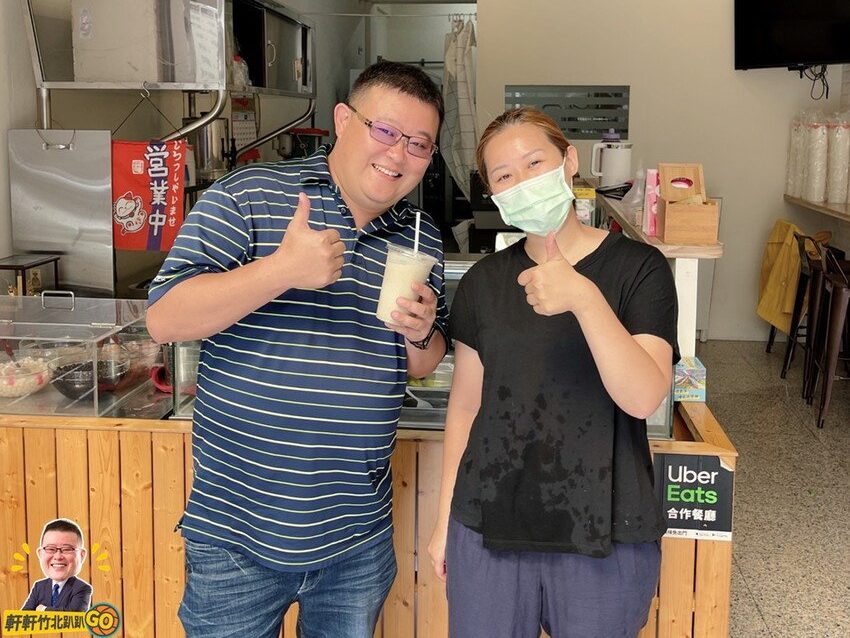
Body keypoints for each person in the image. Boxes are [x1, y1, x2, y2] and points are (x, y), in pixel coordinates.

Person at [146, 61, 449, 638]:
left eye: (419, 143)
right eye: (385, 130)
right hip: (237, 534)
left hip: (356, 536)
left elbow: (422, 362)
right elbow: (164, 318)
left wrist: (419, 330)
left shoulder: (420, 234)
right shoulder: (250, 195)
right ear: (344, 121)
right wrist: (280, 271)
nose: (398, 153)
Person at [428, 107, 679, 638]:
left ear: (569, 162)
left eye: (534, 163)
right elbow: (467, 408)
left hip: (606, 529)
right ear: (493, 194)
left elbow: (643, 397)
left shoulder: (640, 268)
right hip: (488, 523)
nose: (522, 182)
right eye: (504, 176)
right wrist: (445, 519)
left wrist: (585, 299)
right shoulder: (483, 282)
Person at [22, 518, 92, 612]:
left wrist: (44, 609)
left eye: (67, 549)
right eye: (51, 549)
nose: (58, 556)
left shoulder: (82, 588)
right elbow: (23, 615)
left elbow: (73, 614)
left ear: (81, 555)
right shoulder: (39, 586)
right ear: (40, 554)